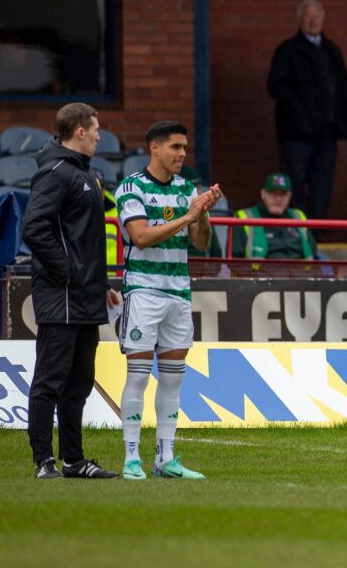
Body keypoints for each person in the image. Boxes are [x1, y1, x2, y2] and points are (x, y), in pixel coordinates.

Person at [115, 121, 222, 480]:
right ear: (154, 148)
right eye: (175, 147)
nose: (182, 154)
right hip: (143, 291)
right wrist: (189, 215)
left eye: (185, 149)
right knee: (139, 376)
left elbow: (202, 243)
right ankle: (132, 458)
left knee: (173, 379)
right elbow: (140, 237)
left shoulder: (186, 189)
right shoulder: (131, 188)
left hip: (178, 292)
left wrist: (202, 212)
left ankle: (165, 458)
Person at [22, 103, 121, 479]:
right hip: (61, 296)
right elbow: (34, 229)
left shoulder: (85, 173)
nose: (99, 135)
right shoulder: (56, 172)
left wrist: (100, 282)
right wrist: (67, 273)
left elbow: (85, 239)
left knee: (79, 382)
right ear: (79, 130)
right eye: (95, 129)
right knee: (50, 378)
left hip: (84, 294)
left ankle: (74, 461)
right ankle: (43, 461)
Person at [267, 0, 347, 220]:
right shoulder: (288, 50)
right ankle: (297, 232)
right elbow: (276, 86)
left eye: (317, 16)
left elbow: (344, 87)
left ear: (323, 18)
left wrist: (342, 122)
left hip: (327, 133)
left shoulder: (331, 50)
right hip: (296, 135)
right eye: (309, 16)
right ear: (300, 19)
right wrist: (301, 117)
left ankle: (316, 235)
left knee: (322, 185)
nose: (313, 21)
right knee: (294, 184)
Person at [232, 172, 318, 260]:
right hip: (261, 273)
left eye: (283, 194)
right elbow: (235, 262)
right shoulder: (244, 217)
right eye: (272, 193)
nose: (278, 199)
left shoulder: (299, 216)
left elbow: (314, 254)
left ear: (290, 196)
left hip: (300, 273)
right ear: (263, 194)